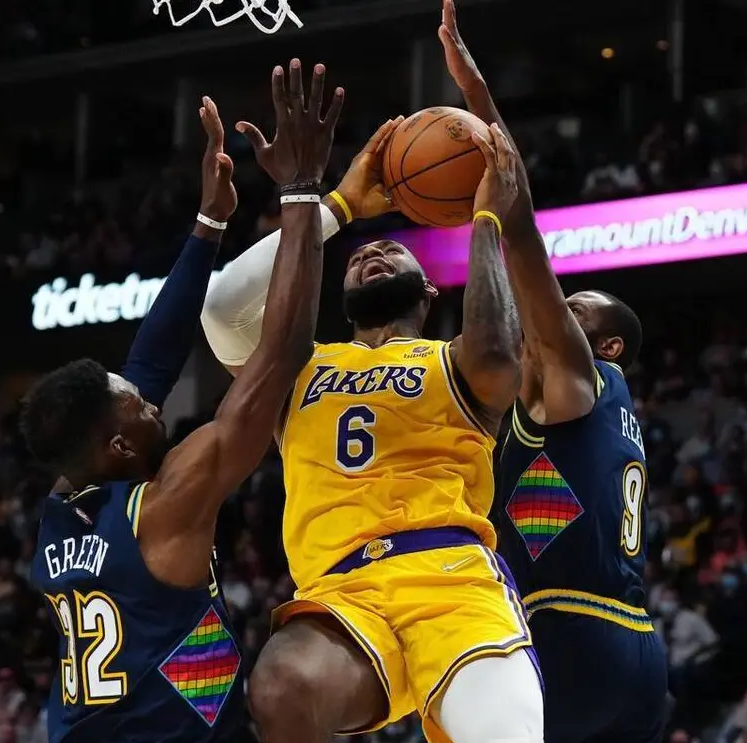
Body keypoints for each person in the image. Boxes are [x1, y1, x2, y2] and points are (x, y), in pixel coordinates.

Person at [202, 78, 543, 743]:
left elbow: (500, 352)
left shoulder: (455, 359)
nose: (375, 251)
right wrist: (336, 208)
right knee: (280, 684)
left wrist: (485, 219)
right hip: (341, 593)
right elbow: (222, 311)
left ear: (429, 289)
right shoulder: (299, 366)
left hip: (451, 579)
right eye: (360, 255)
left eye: (392, 249)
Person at [23, 61, 343, 743]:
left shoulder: (64, 501)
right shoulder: (166, 504)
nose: (150, 401)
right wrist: (302, 192)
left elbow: (151, 360)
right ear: (118, 445)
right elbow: (282, 351)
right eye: (135, 406)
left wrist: (209, 223)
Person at [436, 1, 670, 741]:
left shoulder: (578, 380)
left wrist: (480, 104)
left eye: (574, 313)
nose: (556, 317)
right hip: (636, 646)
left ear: (607, 347)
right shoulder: (607, 406)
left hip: (568, 629)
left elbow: (525, 237)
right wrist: (477, 96)